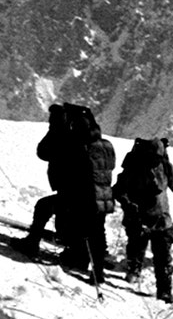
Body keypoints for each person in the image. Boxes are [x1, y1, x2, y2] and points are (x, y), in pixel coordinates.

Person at [113, 137, 173, 304]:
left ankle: (164, 291)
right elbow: (119, 190)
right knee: (137, 248)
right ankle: (134, 269)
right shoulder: (134, 167)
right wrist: (128, 204)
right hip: (139, 218)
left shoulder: (165, 167)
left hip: (160, 219)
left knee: (162, 256)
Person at [57, 104, 116, 285]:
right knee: (97, 233)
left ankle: (85, 264)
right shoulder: (107, 145)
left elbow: (75, 172)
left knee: (84, 232)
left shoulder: (81, 146)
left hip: (87, 196)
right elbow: (110, 165)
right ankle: (97, 272)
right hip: (104, 195)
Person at [9, 104, 69, 259]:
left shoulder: (60, 133)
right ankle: (76, 250)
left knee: (44, 206)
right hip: (86, 192)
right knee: (64, 215)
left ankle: (32, 243)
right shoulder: (82, 135)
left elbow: (43, 151)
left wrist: (53, 130)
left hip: (71, 191)